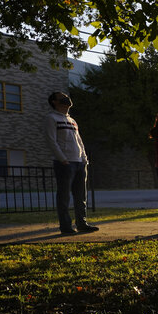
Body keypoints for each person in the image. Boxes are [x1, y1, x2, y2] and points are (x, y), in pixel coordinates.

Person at [46, 91, 98, 235]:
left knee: (81, 196)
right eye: (61, 97)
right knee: (64, 196)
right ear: (54, 102)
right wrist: (62, 159)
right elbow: (51, 140)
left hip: (80, 163)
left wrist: (84, 159)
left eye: (66, 96)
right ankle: (66, 227)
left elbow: (79, 141)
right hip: (64, 163)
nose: (66, 98)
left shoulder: (72, 120)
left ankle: (82, 223)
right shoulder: (51, 118)